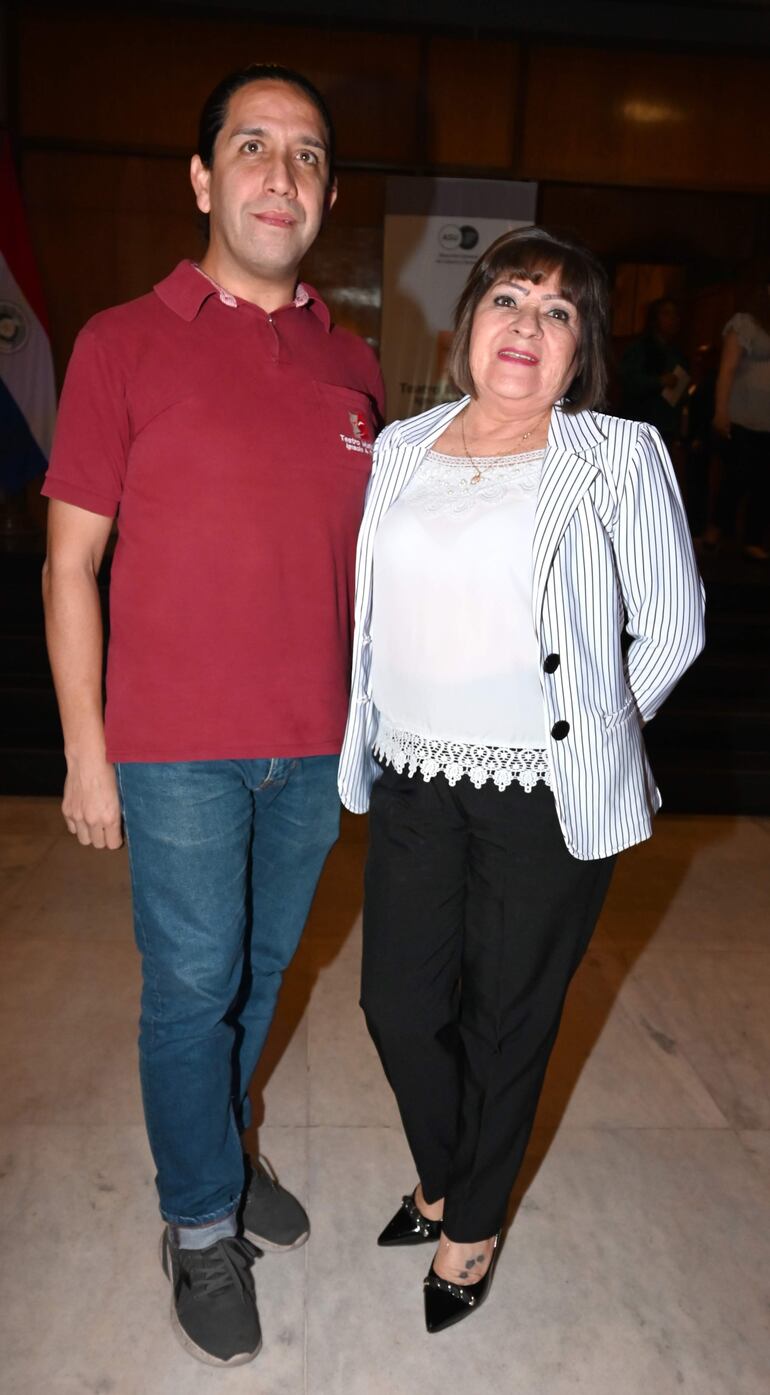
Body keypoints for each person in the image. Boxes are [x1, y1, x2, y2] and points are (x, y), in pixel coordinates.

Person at [41, 64, 384, 1368]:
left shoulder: (352, 362)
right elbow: (70, 561)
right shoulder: (121, 341)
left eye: (306, 154)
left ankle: (225, 1152)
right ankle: (197, 1221)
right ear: (202, 179)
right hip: (175, 745)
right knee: (192, 989)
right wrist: (87, 751)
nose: (279, 174)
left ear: (328, 193)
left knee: (257, 973)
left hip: (312, 743)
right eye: (252, 146)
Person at [338, 227, 704, 1334]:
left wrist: (587, 731)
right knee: (397, 1005)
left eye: (558, 312)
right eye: (508, 298)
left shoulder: (617, 456)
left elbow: (673, 628)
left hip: (540, 793)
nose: (527, 326)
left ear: (580, 349)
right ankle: (449, 1167)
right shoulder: (402, 446)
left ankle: (469, 1218)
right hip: (412, 772)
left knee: (507, 1020)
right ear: (468, 325)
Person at [709, 266, 770, 560]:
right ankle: (716, 530)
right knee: (738, 474)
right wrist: (721, 411)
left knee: (764, 480)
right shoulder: (744, 324)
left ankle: (753, 539)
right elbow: (727, 369)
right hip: (742, 415)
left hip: (767, 419)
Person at [619, 296, 689, 447]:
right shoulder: (639, 349)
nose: (672, 319)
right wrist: (659, 381)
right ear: (654, 318)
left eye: (675, 314)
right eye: (666, 313)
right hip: (641, 424)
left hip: (666, 427)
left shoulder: (678, 353)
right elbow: (629, 381)